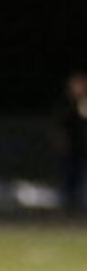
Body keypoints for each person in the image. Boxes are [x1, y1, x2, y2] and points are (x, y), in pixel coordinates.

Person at [58, 72, 86, 216]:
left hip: (83, 148)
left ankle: (80, 207)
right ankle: (68, 207)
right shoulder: (65, 105)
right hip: (71, 149)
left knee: (82, 177)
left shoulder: (84, 103)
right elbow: (61, 126)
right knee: (70, 177)